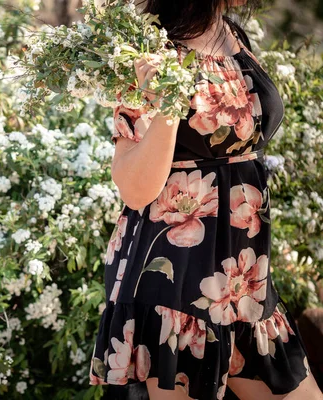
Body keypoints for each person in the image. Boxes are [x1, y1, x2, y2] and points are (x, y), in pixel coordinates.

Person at [87, 0, 323, 399]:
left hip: (243, 281)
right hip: (174, 284)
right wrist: (167, 105)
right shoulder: (148, 44)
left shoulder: (229, 32)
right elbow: (135, 188)